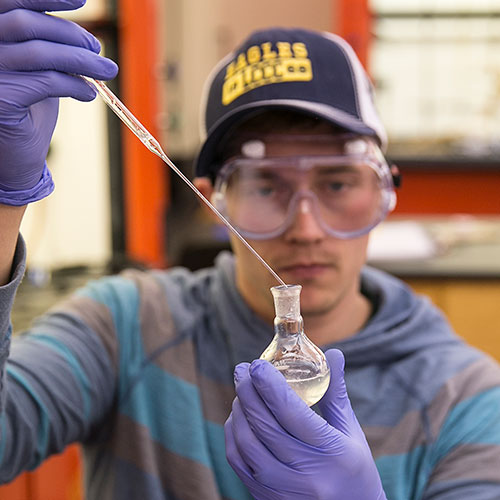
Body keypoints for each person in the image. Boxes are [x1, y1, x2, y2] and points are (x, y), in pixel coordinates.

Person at [1, 1, 500, 499]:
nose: (305, 229)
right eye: (266, 187)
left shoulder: (466, 397)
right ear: (214, 202)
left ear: (384, 194)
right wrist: (4, 195)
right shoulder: (125, 328)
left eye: (338, 184)